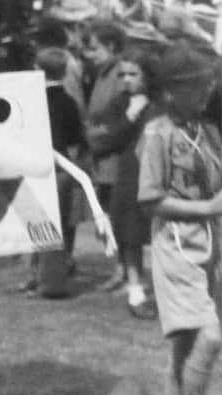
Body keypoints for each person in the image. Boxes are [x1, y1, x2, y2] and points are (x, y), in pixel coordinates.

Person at [137, 43, 222, 395]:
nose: (206, 90)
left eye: (208, 83)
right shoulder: (157, 135)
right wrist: (208, 208)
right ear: (170, 92)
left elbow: (214, 188)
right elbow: (149, 200)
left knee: (184, 347)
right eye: (197, 85)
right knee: (208, 339)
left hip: (208, 250)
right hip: (175, 248)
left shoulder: (207, 130)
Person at [83, 19, 146, 291]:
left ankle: (129, 273)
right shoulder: (101, 73)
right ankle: (120, 270)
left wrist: (99, 136)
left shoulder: (120, 75)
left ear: (110, 46)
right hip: (104, 156)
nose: (90, 54)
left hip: (117, 158)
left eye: (94, 48)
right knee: (112, 217)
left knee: (125, 221)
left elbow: (117, 119)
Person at [22, 47, 86, 298]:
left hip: (38, 166)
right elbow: (75, 137)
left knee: (42, 225)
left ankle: (48, 283)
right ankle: (41, 278)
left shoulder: (32, 99)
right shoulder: (68, 101)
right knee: (54, 225)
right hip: (60, 167)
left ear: (38, 69)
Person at [110, 46, 158, 319]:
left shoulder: (161, 103)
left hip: (158, 172)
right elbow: (107, 140)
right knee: (131, 234)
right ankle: (135, 290)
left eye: (133, 74)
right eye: (123, 74)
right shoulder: (120, 103)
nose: (127, 79)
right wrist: (129, 116)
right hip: (130, 173)